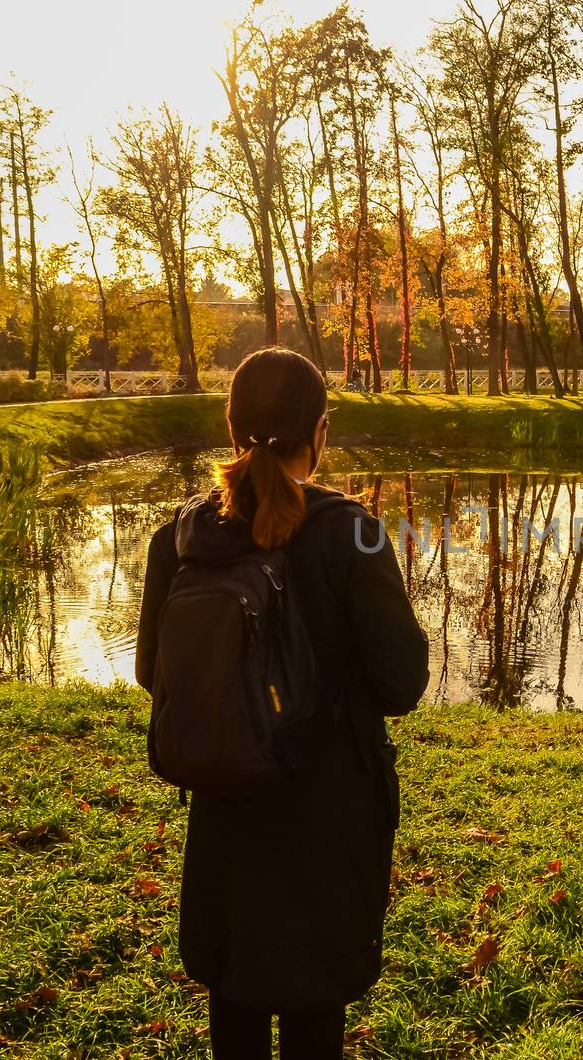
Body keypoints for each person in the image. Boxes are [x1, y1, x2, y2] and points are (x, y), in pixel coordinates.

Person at [135, 347, 429, 1060]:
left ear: (230, 428)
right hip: (326, 813)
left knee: (232, 996)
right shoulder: (351, 529)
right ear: (320, 432)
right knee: (313, 1001)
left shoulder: (181, 535)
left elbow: (152, 673)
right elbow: (402, 684)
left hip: (225, 801)